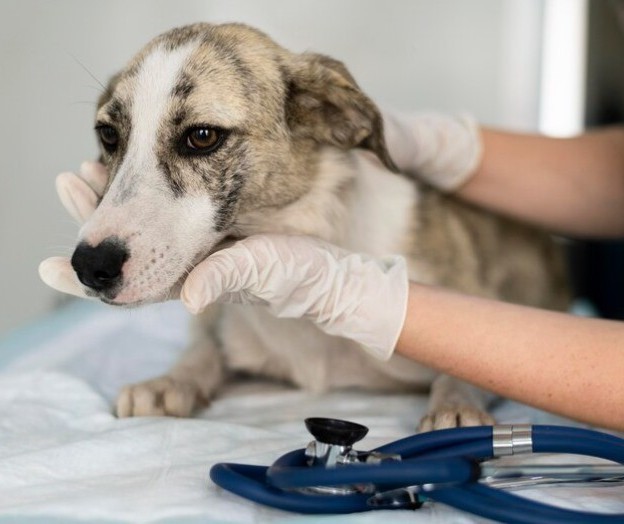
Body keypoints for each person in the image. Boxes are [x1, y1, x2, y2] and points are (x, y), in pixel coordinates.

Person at [40, 112, 624, 431]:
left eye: (199, 136)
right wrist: (447, 145)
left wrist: (449, 375)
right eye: (114, 136)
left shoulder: (415, 235)